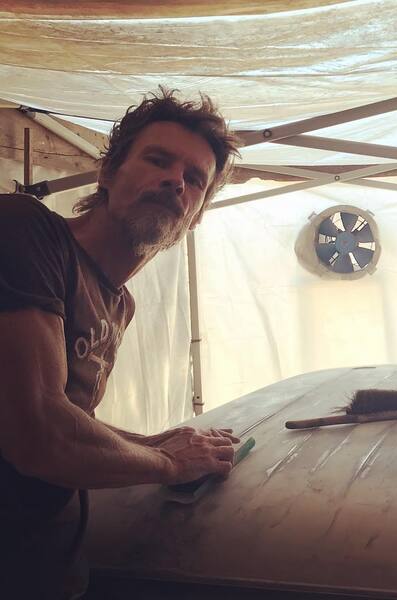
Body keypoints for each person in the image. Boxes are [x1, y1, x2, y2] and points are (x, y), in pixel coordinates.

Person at [0, 88, 240, 598]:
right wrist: (170, 463)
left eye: (195, 179)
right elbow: (39, 433)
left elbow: (71, 416)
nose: (175, 180)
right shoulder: (25, 230)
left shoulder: (119, 303)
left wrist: (150, 442)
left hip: (52, 570)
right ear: (108, 172)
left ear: (195, 215)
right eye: (157, 160)